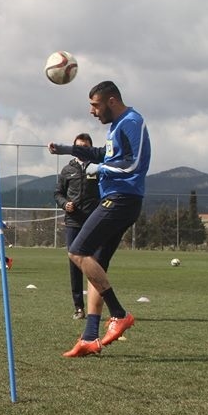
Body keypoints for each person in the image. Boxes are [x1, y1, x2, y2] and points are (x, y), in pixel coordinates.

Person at [49, 80, 150, 357]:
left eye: (95, 105)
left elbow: (134, 163)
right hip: (119, 198)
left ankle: (119, 313)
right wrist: (69, 149)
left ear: (112, 101)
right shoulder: (115, 127)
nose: (93, 111)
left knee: (77, 251)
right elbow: (104, 153)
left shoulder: (132, 121)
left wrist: (100, 168)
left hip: (121, 198)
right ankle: (90, 337)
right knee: (96, 263)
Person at [54, 133, 101, 319]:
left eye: (85, 146)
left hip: (94, 222)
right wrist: (65, 204)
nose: (82, 149)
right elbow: (57, 193)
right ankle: (78, 307)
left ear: (90, 148)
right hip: (73, 222)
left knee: (95, 263)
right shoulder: (67, 170)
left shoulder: (97, 168)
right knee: (74, 262)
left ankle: (94, 307)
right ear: (74, 148)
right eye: (79, 146)